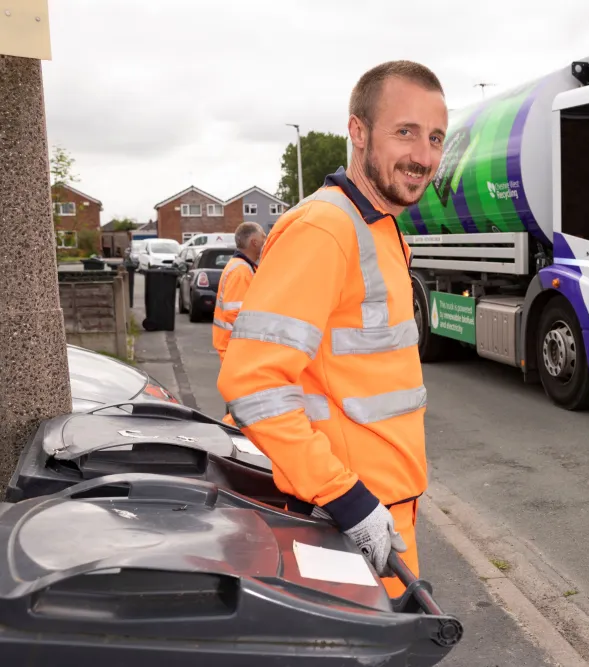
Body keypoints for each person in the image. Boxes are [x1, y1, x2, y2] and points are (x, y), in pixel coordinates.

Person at [216, 60, 447, 596]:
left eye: (435, 137)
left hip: (379, 520)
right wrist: (347, 500)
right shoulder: (326, 227)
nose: (423, 155)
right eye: (405, 132)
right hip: (340, 524)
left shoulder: (381, 227)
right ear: (359, 132)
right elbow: (254, 385)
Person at [212, 221, 266, 364]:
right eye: (263, 237)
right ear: (254, 242)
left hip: (233, 346)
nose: (266, 241)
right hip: (236, 348)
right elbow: (235, 314)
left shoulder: (243, 267)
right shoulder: (241, 271)